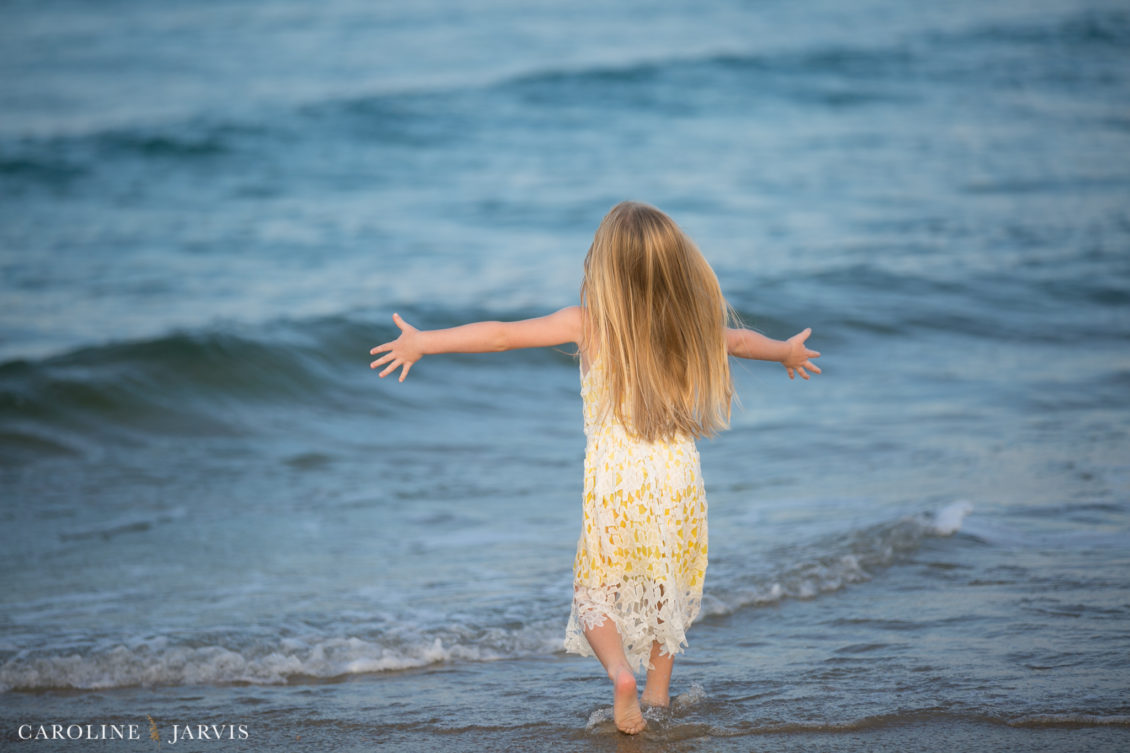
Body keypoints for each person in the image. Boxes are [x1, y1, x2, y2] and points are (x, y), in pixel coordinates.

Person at [369, 201, 821, 734]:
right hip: (678, 485)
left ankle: (620, 677)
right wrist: (787, 352)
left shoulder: (587, 325)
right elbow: (743, 342)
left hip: (617, 488)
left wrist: (424, 341)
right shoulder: (690, 328)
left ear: (602, 267)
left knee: (593, 593)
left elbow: (500, 335)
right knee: (665, 589)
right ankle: (656, 694)